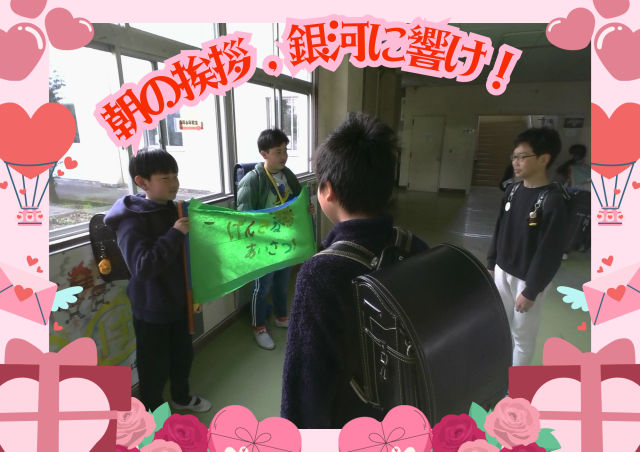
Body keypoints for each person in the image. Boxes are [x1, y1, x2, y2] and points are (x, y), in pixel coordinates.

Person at [281, 114, 429, 429]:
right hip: (409, 413)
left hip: (353, 424)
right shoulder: (413, 246)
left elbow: (306, 383)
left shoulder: (320, 273)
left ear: (329, 191)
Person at [104, 148, 211, 413]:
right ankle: (152, 410)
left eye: (175, 175)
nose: (174, 182)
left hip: (180, 302)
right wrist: (174, 234)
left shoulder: (175, 209)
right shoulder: (131, 220)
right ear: (142, 182)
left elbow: (189, 258)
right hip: (151, 308)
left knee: (182, 356)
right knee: (153, 365)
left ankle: (181, 397)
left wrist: (195, 293)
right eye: (165, 178)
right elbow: (142, 267)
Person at [487, 128, 568, 367]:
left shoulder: (552, 200)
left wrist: (531, 290)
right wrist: (491, 263)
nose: (515, 162)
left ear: (544, 159)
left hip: (527, 279)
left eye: (522, 157)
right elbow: (499, 229)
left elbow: (550, 252)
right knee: (501, 326)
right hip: (502, 271)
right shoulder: (512, 191)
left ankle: (516, 384)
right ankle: (500, 374)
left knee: (522, 336)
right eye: (514, 157)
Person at [236, 128, 315, 350]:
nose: (283, 156)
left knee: (282, 283)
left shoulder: (288, 175)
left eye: (285, 150)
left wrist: (306, 209)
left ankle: (281, 317)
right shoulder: (252, 180)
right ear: (264, 154)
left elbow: (297, 203)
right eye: (277, 151)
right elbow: (244, 215)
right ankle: (258, 327)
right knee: (262, 287)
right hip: (264, 244)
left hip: (285, 241)